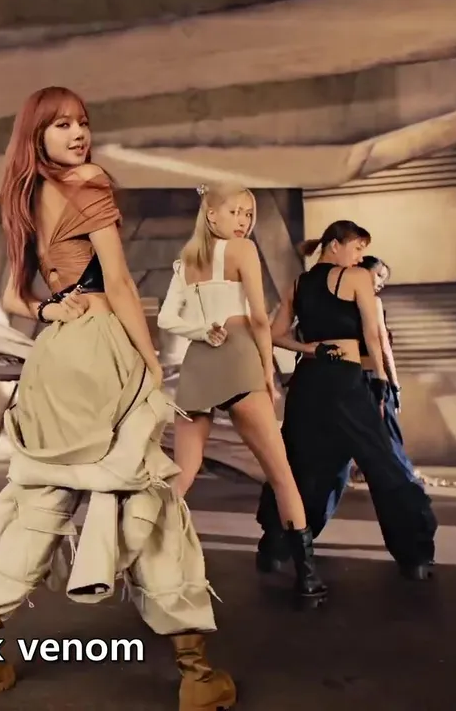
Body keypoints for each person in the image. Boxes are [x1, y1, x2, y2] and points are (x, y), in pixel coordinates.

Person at [0, 87, 236, 711]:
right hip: (104, 348)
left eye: (83, 122)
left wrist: (50, 308)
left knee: (41, 504)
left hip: (53, 357)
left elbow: (16, 297)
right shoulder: (90, 183)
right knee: (147, 500)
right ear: (36, 134)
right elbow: (119, 282)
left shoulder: (24, 195)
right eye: (61, 125)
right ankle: (197, 674)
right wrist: (151, 363)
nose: (78, 134)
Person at [158, 183, 327, 608]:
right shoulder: (243, 250)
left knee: (181, 475)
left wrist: (201, 331)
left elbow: (166, 318)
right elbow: (258, 317)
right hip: (238, 357)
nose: (244, 222)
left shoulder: (185, 261)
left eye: (248, 214)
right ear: (211, 214)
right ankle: (308, 578)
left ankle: (151, 562)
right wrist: (268, 371)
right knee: (280, 473)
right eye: (235, 212)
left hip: (198, 362)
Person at [257, 221, 436, 581]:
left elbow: (273, 335)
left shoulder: (298, 284)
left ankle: (276, 549)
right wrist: (382, 382)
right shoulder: (355, 277)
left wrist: (309, 348)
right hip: (346, 382)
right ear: (334, 245)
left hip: (308, 382)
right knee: (383, 463)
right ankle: (415, 556)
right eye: (356, 248)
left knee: (303, 466)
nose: (359, 257)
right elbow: (373, 333)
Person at [348, 255, 408, 484]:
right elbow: (383, 345)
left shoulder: (340, 301)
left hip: (346, 374)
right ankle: (403, 482)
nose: (382, 282)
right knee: (389, 434)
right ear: (363, 273)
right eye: (379, 275)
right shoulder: (373, 302)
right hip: (373, 375)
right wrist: (395, 384)